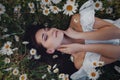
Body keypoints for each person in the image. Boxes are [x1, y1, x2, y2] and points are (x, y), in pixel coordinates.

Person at [24, 0, 120, 79]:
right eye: (46, 37)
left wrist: (79, 35)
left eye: (48, 29)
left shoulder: (77, 21)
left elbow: (117, 32)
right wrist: (82, 47)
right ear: (50, 50)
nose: (51, 32)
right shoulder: (79, 62)